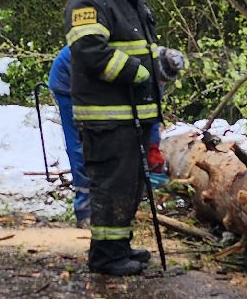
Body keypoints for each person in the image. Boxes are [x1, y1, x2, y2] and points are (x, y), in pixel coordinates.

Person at [62, 0, 164, 276]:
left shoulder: (130, 0)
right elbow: (91, 53)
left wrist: (160, 62)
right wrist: (137, 71)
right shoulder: (90, 0)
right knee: (110, 185)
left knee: (129, 185)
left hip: (129, 115)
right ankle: (105, 257)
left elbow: (139, 48)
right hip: (105, 116)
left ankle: (118, 247)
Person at [49, 43, 185, 225]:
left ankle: (110, 202)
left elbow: (151, 111)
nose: (159, 83)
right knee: (82, 143)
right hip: (71, 79)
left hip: (98, 81)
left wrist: (152, 145)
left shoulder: (150, 68)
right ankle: (85, 209)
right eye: (159, 79)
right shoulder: (126, 63)